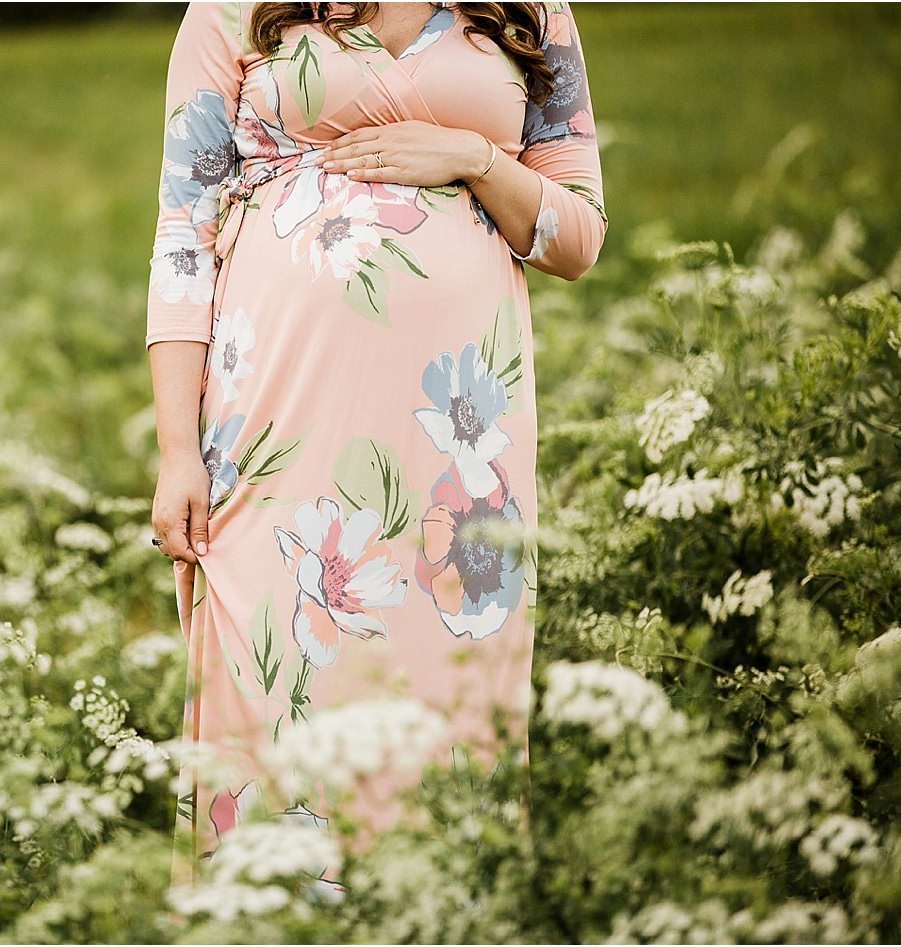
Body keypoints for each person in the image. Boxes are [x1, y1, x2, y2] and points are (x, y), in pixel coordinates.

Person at [146, 0, 605, 885]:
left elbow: (577, 237)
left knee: (450, 716)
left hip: (462, 453)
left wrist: (472, 158)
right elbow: (182, 235)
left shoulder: (528, 11)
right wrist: (176, 448)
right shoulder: (237, 8)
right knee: (277, 693)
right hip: (275, 438)